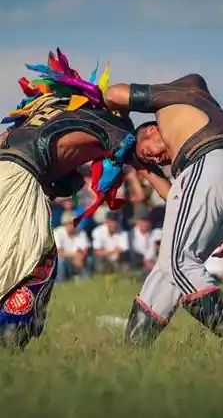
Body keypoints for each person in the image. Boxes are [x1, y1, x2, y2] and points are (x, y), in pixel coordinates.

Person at [0, 49, 167, 350]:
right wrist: (177, 197)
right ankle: (9, 340)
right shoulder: (118, 127)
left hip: (10, 170)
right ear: (150, 129)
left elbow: (61, 171)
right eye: (161, 146)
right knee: (35, 261)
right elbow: (143, 169)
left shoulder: (52, 107)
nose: (160, 155)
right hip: (19, 178)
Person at [103, 73, 223, 347]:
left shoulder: (171, 99)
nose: (159, 160)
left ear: (150, 130)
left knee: (178, 262)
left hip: (207, 164)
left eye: (149, 153)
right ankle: (134, 348)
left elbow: (113, 94)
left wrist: (116, 127)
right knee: (167, 269)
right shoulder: (219, 122)